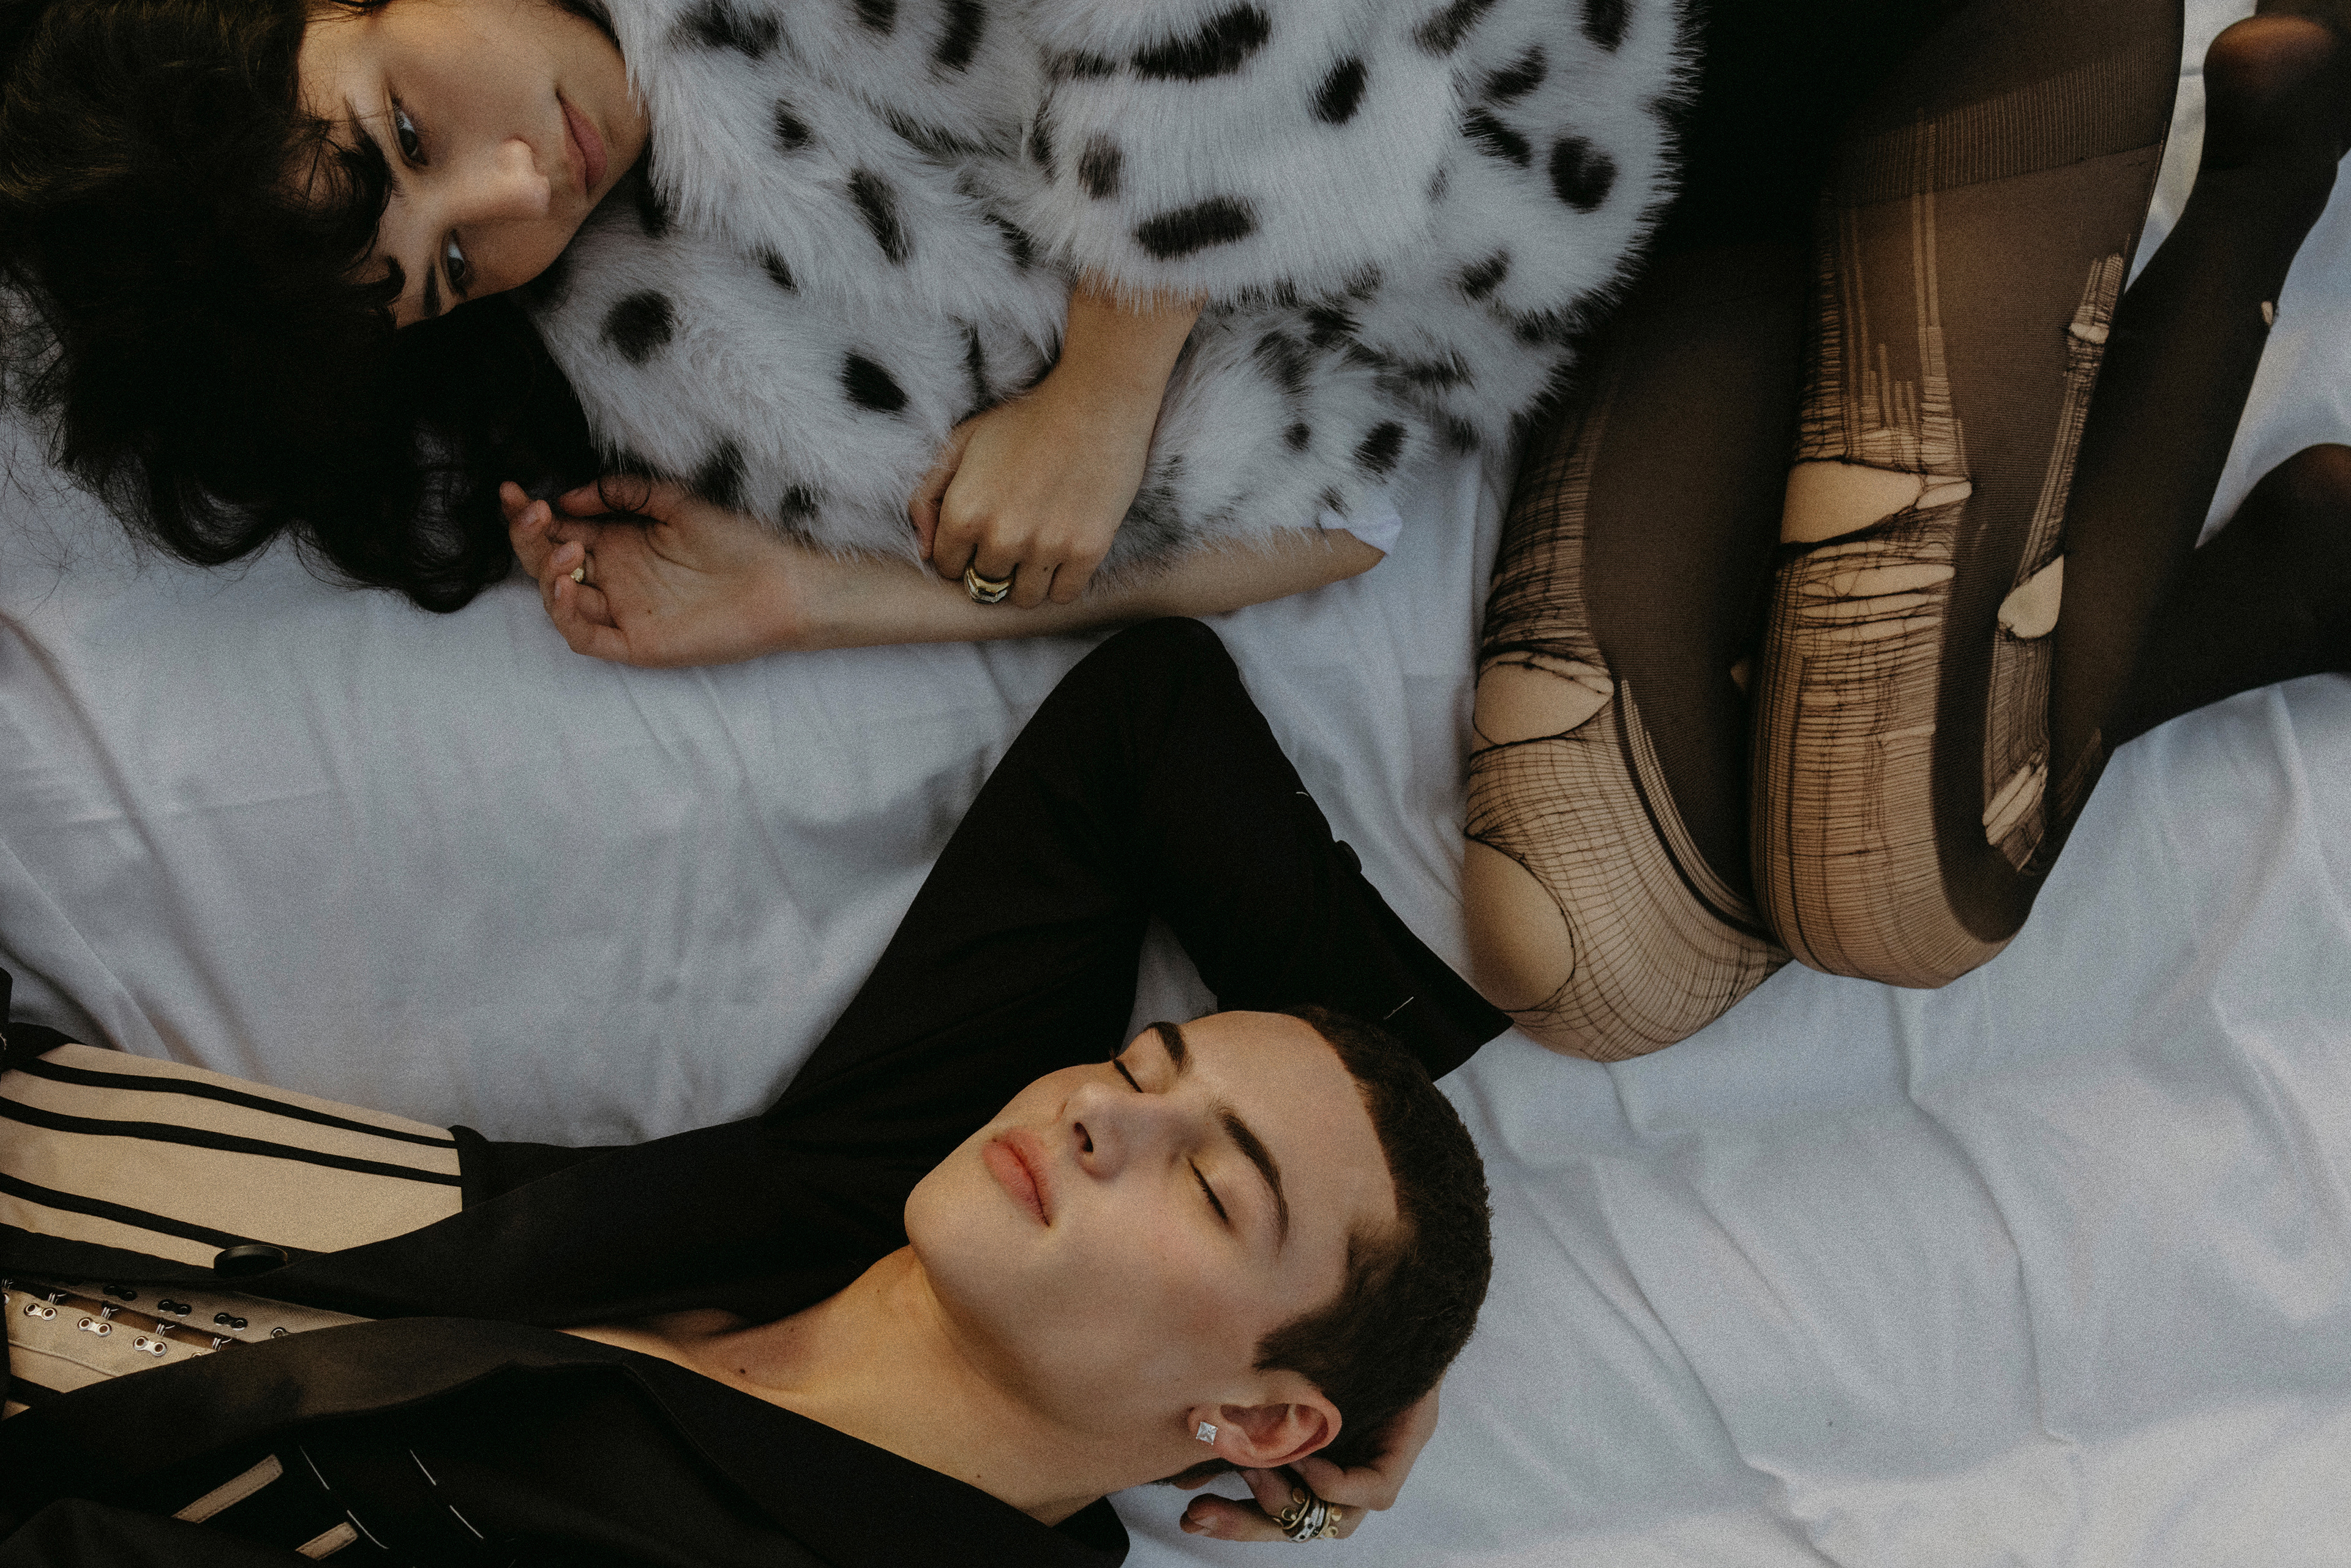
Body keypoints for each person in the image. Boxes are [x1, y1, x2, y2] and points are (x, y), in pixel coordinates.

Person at [0, 620, 1512, 1563]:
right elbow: (1147, 718)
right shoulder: (883, 1177)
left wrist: (1314, 1369)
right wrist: (1388, 1336)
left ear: (1258, 1421)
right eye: (1138, 1064)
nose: (1099, 1111)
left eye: (1213, 1183)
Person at [0, 0, 1687, 641]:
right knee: (1627, 936)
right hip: (1606, 315)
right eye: (448, 270)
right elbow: (1341, 515)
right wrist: (822, 599)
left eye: (407, 133)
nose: (519, 189)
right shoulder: (674, 356)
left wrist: (1109, 384)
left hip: (1606, 55)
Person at [1459, 0, 2351, 1059]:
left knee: (1890, 884)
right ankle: (2270, 584)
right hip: (1662, 153)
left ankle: (2270, 175)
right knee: (1588, 957)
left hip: (1917, 40)